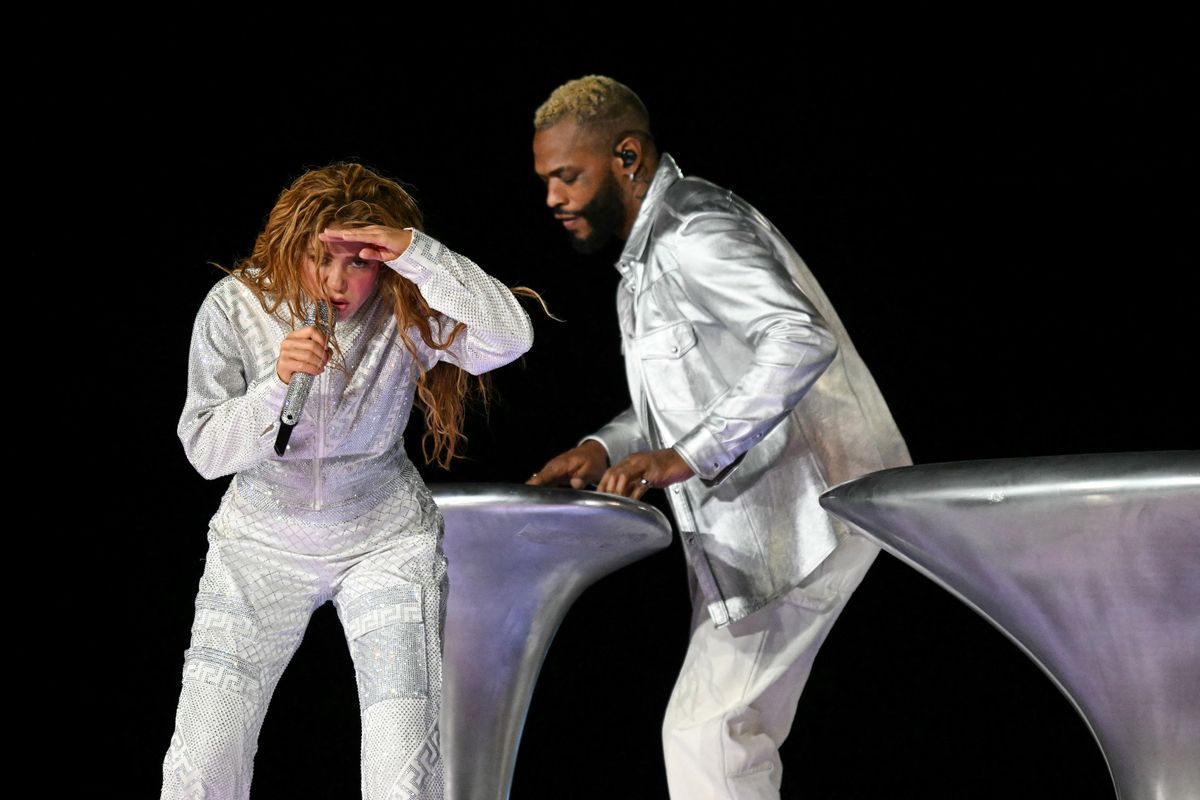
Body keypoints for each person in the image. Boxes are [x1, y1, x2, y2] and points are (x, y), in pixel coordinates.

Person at [527, 75, 911, 799]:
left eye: (567, 176)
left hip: (808, 518)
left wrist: (687, 455)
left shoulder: (695, 229)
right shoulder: (645, 260)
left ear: (628, 157)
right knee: (726, 738)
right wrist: (604, 446)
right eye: (547, 180)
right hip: (756, 530)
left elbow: (799, 340)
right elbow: (690, 391)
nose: (552, 198)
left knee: (712, 737)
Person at [160, 161, 534, 799]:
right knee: (201, 763)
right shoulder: (238, 304)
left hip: (382, 542)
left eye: (359, 262)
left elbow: (509, 336)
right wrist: (273, 387)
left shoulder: (405, 302)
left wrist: (420, 255)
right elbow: (203, 449)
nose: (338, 280)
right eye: (319, 259)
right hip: (259, 544)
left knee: (402, 771)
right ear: (291, 247)